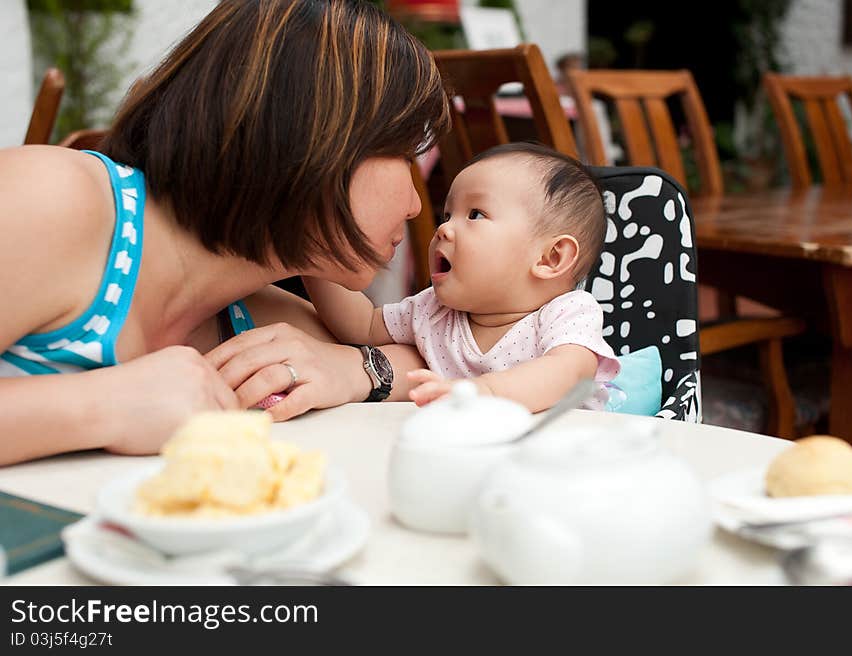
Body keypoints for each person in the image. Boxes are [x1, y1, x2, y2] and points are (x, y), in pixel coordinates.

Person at [0, 0, 449, 466]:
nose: (417, 206)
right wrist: (101, 407)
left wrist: (357, 369)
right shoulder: (55, 200)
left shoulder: (247, 322)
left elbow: (452, 359)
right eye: (403, 154)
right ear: (314, 136)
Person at [303, 142, 620, 413]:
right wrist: (309, 256)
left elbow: (569, 372)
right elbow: (362, 326)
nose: (443, 229)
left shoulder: (567, 313)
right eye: (447, 214)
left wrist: (481, 393)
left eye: (475, 215)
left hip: (566, 456)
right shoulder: (433, 310)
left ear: (551, 258)